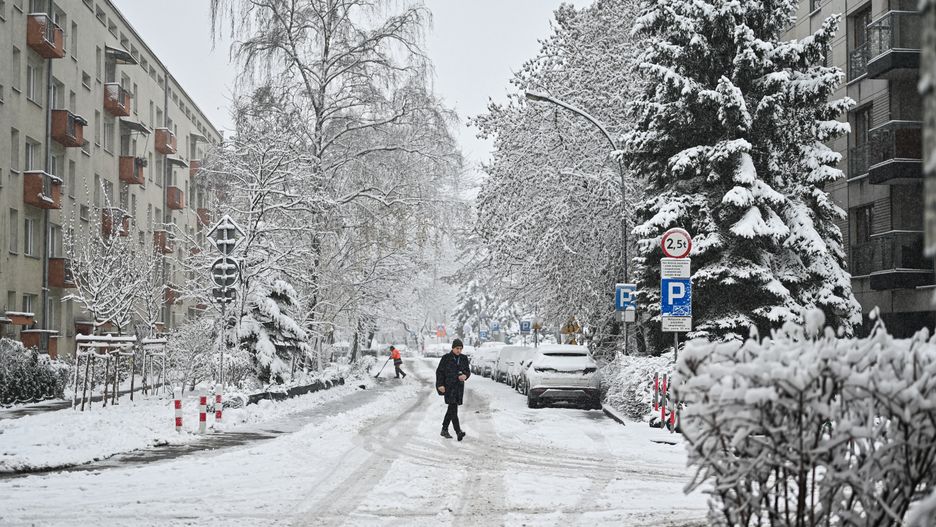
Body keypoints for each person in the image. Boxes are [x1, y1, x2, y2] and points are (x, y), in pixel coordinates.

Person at [436, 338, 470, 440]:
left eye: (460, 348)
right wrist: (440, 385)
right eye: (457, 348)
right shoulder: (446, 358)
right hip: (449, 387)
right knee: (453, 408)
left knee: (451, 408)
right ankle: (458, 431)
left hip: (459, 387)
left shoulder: (464, 358)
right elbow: (439, 372)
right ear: (453, 348)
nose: (459, 350)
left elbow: (467, 371)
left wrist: (465, 376)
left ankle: (444, 429)